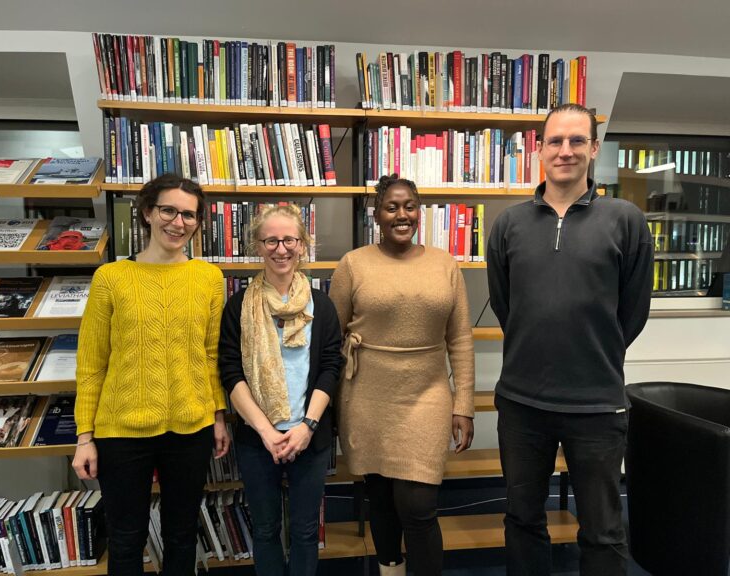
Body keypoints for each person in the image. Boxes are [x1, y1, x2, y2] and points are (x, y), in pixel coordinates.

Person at [487, 103, 653, 576]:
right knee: (522, 520)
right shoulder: (509, 224)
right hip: (522, 403)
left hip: (597, 405)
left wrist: (592, 349)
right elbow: (506, 306)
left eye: (577, 141)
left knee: (602, 530)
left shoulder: (625, 220)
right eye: (555, 141)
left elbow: (632, 313)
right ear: (539, 151)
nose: (565, 151)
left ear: (594, 148)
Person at [72, 174, 230, 576]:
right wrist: (84, 437)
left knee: (181, 534)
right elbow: (92, 364)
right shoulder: (110, 278)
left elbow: (210, 354)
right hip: (121, 431)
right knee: (126, 539)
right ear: (146, 212)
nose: (179, 223)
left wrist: (217, 416)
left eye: (189, 215)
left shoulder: (209, 278)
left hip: (190, 429)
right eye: (169, 211)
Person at [328, 174, 476, 576]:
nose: (402, 214)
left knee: (418, 505)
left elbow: (460, 339)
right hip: (366, 395)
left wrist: (464, 404)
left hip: (427, 392)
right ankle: (390, 569)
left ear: (418, 210)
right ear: (377, 214)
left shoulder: (444, 264)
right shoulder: (353, 264)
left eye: (409, 206)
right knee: (381, 496)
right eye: (392, 207)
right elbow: (330, 338)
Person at [218, 204, 343, 576]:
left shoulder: (322, 305)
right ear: (258, 246)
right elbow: (230, 372)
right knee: (266, 530)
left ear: (303, 245)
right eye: (270, 240)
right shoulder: (239, 306)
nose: (281, 248)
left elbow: (331, 367)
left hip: (310, 436)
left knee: (306, 532)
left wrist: (307, 426)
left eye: (290, 239)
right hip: (258, 439)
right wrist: (266, 431)